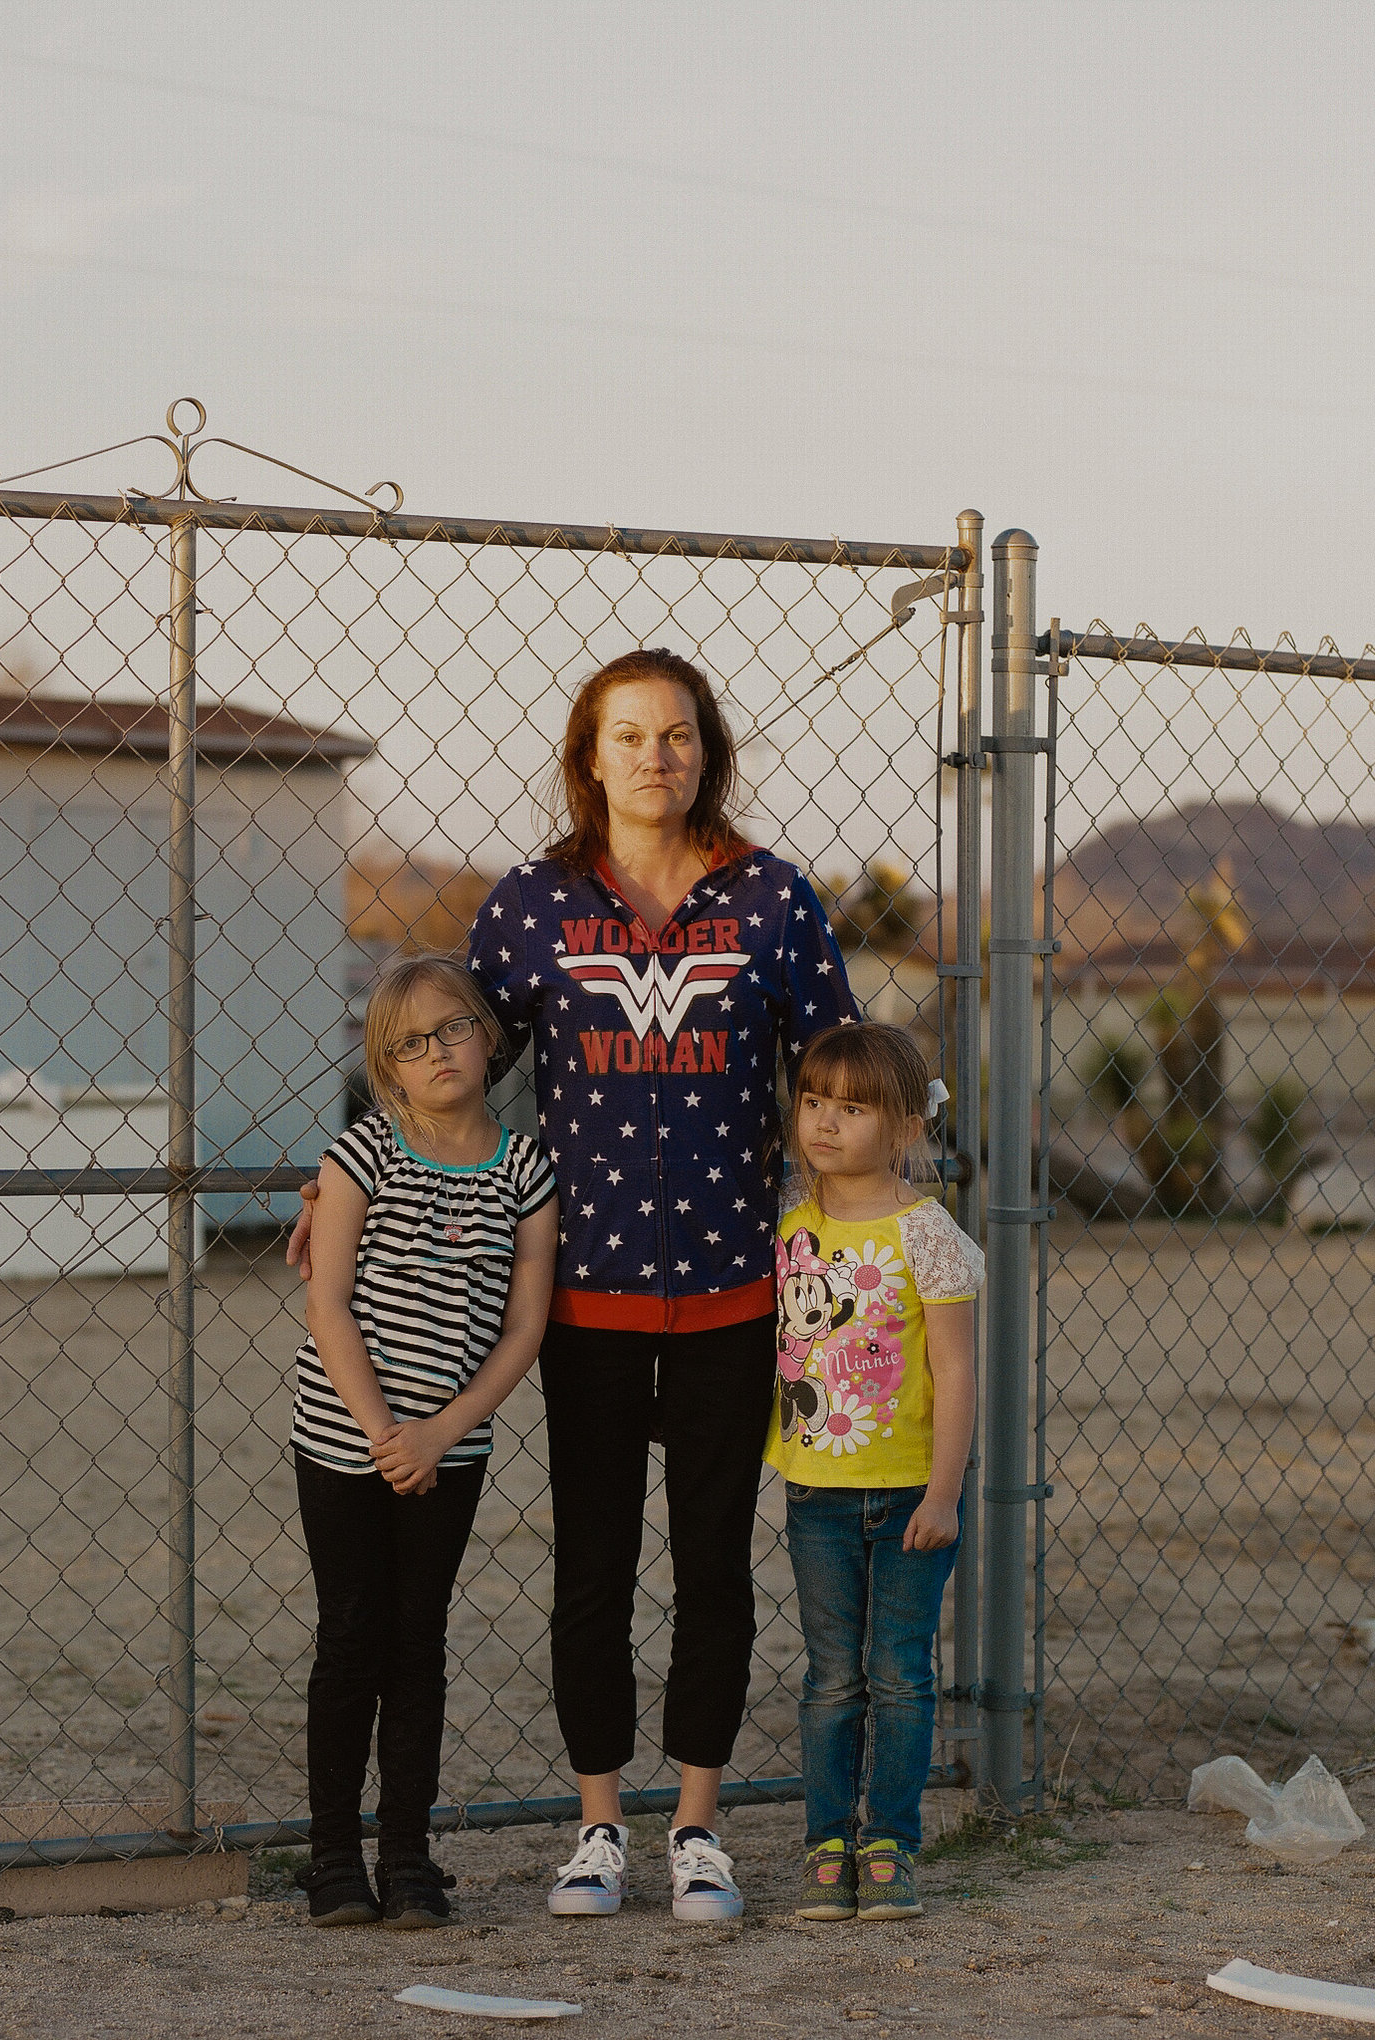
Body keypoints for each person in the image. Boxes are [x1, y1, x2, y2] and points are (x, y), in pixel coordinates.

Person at [292, 646, 856, 1923]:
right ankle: (598, 1822)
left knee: (715, 1565)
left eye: (677, 735)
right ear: (587, 757)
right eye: (628, 736)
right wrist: (350, 1181)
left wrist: (869, 1219)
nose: (655, 757)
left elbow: (834, 1076)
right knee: (593, 1568)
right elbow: (442, 1061)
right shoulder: (531, 906)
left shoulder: (774, 902)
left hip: (730, 1291)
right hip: (582, 1294)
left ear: (705, 748)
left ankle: (698, 1825)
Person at [290, 955, 559, 1929]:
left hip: (451, 1449)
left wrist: (443, 1429)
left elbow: (525, 1326)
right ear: (385, 1068)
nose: (436, 1052)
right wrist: (380, 1434)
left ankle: (406, 1859)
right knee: (351, 1635)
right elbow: (326, 1305)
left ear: (489, 1037)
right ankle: (330, 1861)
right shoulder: (361, 1156)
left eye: (452, 1029)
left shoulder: (525, 1171)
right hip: (342, 1441)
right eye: (410, 1044)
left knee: (418, 1641)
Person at [767, 1022, 979, 1924]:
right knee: (830, 1678)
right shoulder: (789, 1220)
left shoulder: (924, 1233)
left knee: (898, 1672)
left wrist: (943, 1494)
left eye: (850, 1109)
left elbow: (959, 1369)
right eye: (814, 1102)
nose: (824, 1122)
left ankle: (889, 1840)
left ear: (901, 1128)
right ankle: (826, 1843)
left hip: (906, 1497)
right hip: (815, 1492)